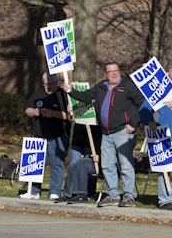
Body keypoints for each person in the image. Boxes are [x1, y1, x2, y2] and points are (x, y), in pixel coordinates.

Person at [62, 62, 144, 207]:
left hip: (122, 132)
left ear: (119, 71)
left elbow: (142, 103)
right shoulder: (101, 87)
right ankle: (113, 195)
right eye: (110, 72)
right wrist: (70, 91)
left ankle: (129, 196)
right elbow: (85, 96)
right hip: (106, 133)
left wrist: (133, 123)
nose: (113, 74)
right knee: (107, 166)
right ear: (106, 74)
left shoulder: (128, 86)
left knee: (126, 165)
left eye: (116, 71)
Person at [139, 60, 172, 210]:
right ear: (167, 72)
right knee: (165, 168)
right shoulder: (159, 90)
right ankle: (164, 200)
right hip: (165, 133)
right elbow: (144, 109)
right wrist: (149, 121)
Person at [21, 71, 70, 200]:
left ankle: (54, 191)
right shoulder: (38, 93)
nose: (47, 86)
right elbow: (27, 110)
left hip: (57, 136)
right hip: (39, 135)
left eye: (50, 84)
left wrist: (53, 113)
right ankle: (34, 191)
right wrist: (34, 112)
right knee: (35, 164)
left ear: (56, 82)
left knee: (57, 164)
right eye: (45, 84)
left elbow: (69, 116)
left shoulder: (62, 94)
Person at [54, 123, 102, 204]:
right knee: (73, 164)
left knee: (81, 163)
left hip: (99, 158)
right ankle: (68, 193)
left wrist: (99, 156)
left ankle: (84, 194)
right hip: (81, 143)